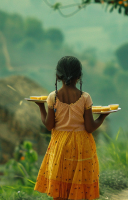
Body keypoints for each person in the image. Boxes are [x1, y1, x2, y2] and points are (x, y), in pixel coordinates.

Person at [34, 56, 109, 200]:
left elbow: (49, 125)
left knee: (60, 189)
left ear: (58, 76)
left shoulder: (52, 97)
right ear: (79, 76)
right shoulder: (85, 97)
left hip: (60, 147)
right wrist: (102, 117)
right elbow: (89, 127)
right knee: (80, 190)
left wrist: (41, 108)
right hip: (81, 147)